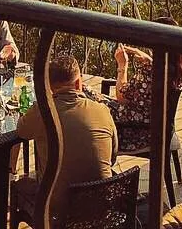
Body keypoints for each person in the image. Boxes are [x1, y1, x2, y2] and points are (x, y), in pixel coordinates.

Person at [13, 52, 118, 216]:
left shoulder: (43, 110)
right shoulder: (102, 110)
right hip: (102, 203)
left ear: (48, 85)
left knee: (19, 185)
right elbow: (112, 158)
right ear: (78, 83)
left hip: (60, 208)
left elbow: (22, 131)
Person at [107, 42, 182, 151]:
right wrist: (149, 59)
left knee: (89, 107)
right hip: (162, 130)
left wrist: (122, 65)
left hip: (137, 132)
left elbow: (122, 97)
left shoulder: (150, 71)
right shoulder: (180, 69)